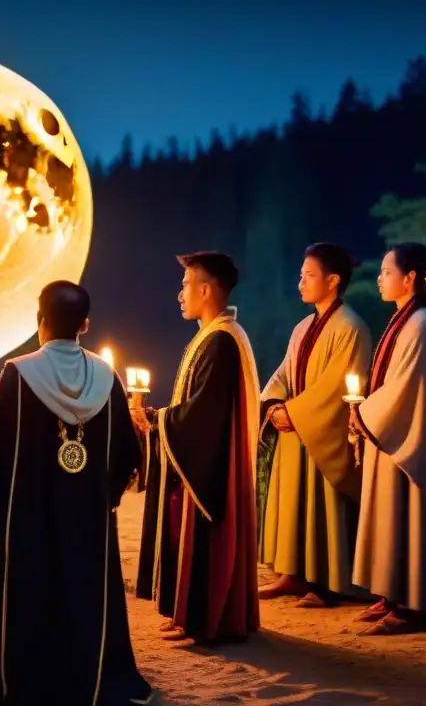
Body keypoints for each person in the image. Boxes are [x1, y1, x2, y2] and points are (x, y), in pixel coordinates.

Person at [0, 281, 153, 705]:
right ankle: (91, 676)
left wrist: (3, 513)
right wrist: (104, 498)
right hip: (88, 518)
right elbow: (128, 451)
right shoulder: (107, 378)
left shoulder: (18, 373)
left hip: (29, 518)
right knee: (87, 589)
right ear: (84, 325)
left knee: (28, 588)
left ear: (41, 322)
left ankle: (22, 681)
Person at [132, 252, 261, 645]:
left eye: (186, 285)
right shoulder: (214, 335)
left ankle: (206, 622)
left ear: (206, 290)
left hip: (211, 463)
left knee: (203, 538)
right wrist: (159, 420)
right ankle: (187, 615)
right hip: (202, 456)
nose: (180, 294)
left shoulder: (221, 340)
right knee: (181, 534)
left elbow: (204, 413)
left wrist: (156, 420)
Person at [349, 242, 426, 635]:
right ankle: (393, 596)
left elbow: (404, 389)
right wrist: (368, 414)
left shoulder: (421, 325)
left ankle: (412, 606)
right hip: (391, 436)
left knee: (405, 517)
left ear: (409, 278)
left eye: (386, 272)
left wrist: (362, 413)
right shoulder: (406, 320)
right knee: (390, 518)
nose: (379, 279)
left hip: (406, 440)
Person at [257, 244, 371, 607]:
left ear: (333, 280)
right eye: (300, 276)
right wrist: (274, 404)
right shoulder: (303, 326)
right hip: (295, 429)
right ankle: (291, 574)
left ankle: (326, 583)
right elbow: (284, 372)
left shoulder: (351, 327)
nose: (300, 283)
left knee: (322, 505)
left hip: (322, 433)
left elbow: (338, 385)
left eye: (309, 276)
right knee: (293, 501)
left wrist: (295, 413)